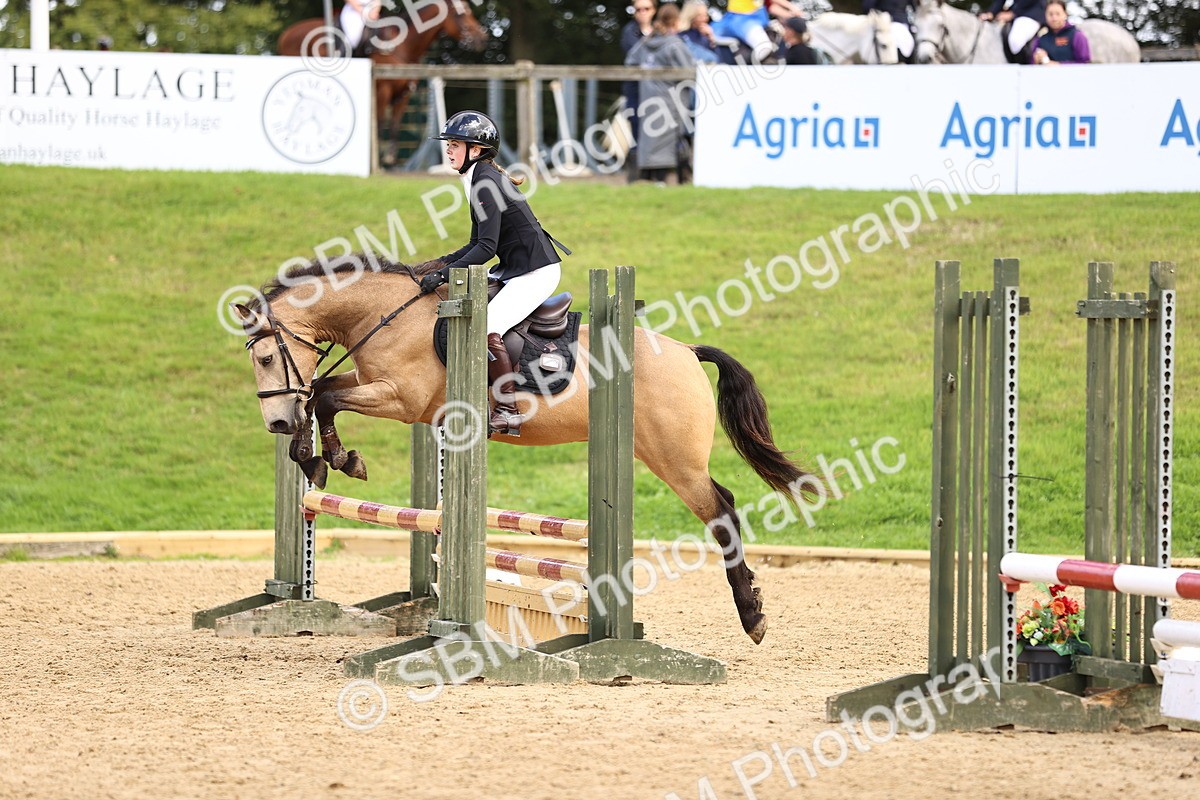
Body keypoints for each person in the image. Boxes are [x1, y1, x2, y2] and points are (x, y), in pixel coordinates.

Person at [418, 111, 565, 436]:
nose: (449, 151)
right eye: (449, 145)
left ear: (476, 150)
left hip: (535, 272)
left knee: (488, 326)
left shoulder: (486, 183)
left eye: (455, 145)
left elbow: (485, 249)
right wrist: (436, 265)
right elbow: (475, 243)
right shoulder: (480, 179)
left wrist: (443, 277)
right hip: (519, 269)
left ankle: (508, 410)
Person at [626, 3, 697, 183]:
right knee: (676, 141)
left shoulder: (646, 42)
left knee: (650, 141)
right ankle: (678, 182)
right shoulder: (674, 44)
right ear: (676, 21)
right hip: (672, 100)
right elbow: (690, 71)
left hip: (648, 100)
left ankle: (652, 182)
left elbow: (630, 61)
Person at [620, 1, 658, 183]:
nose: (642, 12)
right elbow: (634, 55)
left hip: (657, 91)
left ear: (654, 11)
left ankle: (652, 177)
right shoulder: (629, 31)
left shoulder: (660, 30)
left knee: (655, 129)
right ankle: (635, 178)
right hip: (635, 90)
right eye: (638, 9)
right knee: (636, 128)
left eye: (646, 9)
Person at [709, 0, 804, 64]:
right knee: (764, 47)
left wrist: (791, 15)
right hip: (742, 21)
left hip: (750, 20)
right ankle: (748, 70)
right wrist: (792, 7)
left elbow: (771, 7)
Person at [979, 0, 1047, 62]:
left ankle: (1023, 69)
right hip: (1014, 13)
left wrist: (1013, 13)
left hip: (1031, 13)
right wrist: (991, 13)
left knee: (1015, 41)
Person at [1031, 0, 1091, 64]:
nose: (1054, 18)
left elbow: (1084, 63)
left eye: (1058, 14)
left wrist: (1059, 64)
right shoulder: (1040, 39)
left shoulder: (1077, 35)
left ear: (1065, 14)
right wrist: (1036, 60)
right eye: (1050, 14)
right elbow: (1031, 65)